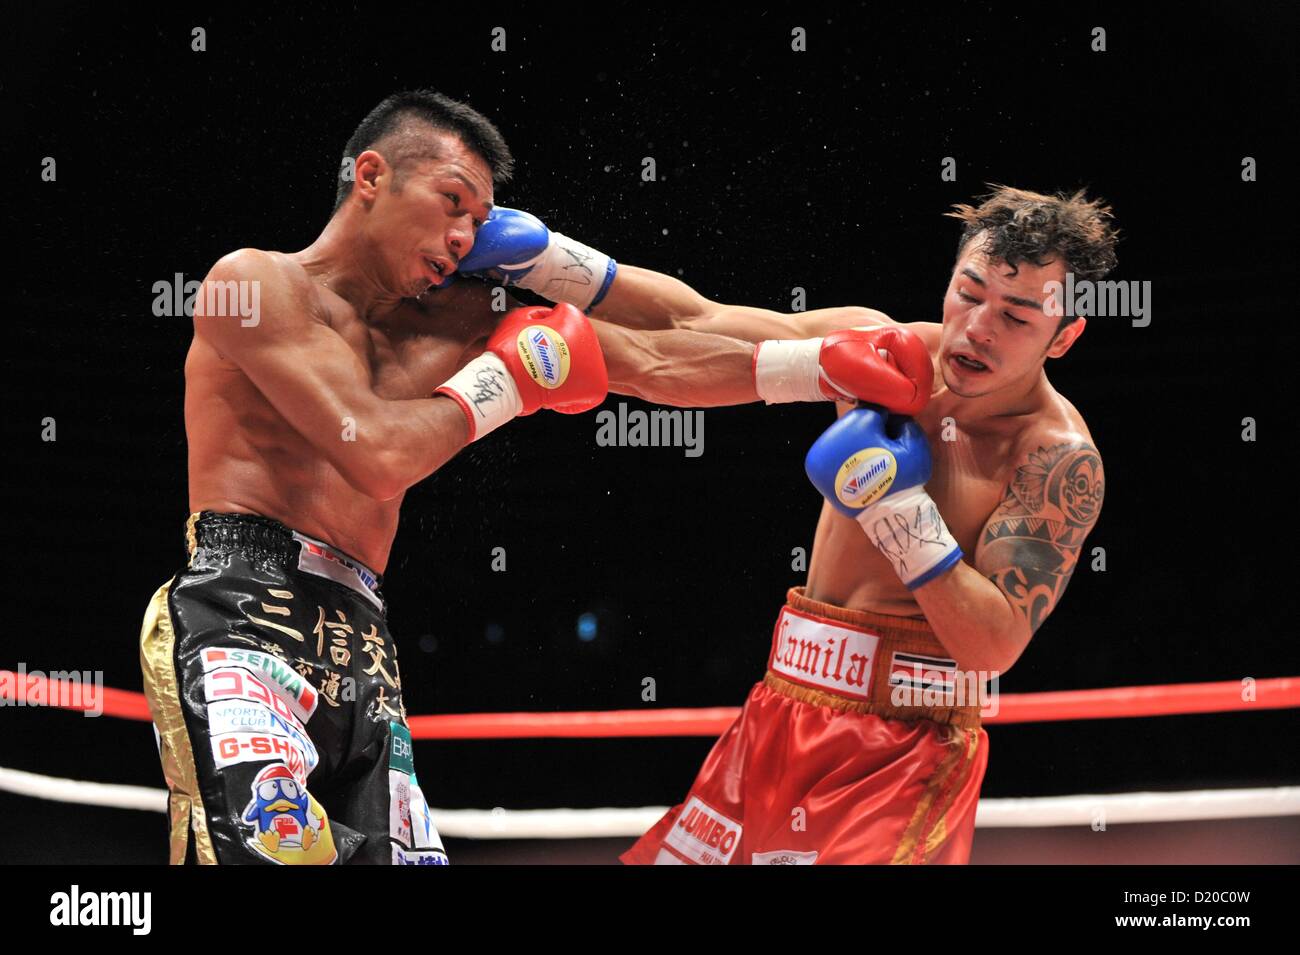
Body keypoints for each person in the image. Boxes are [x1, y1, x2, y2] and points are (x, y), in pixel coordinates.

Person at [138, 89, 925, 865]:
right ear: (370, 176)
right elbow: (375, 453)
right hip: (241, 608)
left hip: (363, 636)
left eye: (479, 223)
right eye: (451, 203)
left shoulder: (463, 316)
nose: (461, 236)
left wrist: (828, 360)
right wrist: (506, 382)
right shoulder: (254, 286)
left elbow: (669, 345)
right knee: (282, 856)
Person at [465, 185, 1115, 864]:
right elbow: (700, 326)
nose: (978, 327)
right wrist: (545, 262)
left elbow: (993, 643)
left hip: (900, 756)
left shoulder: (1055, 458)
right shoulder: (885, 354)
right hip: (779, 712)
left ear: (1065, 334)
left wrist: (898, 508)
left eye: (1016, 316)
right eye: (969, 292)